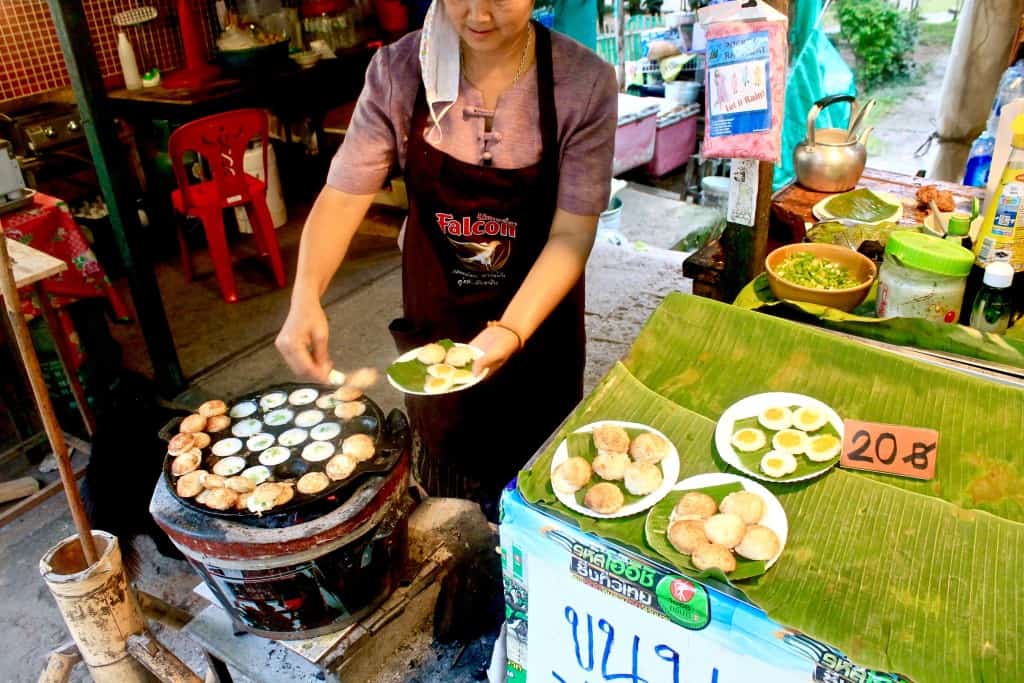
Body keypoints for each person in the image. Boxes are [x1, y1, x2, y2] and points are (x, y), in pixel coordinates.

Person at [276, 0, 617, 519]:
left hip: (538, 333)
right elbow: (344, 195)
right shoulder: (399, 71)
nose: (478, 13)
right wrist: (305, 296)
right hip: (438, 330)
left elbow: (571, 234)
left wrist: (511, 330)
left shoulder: (582, 83)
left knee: (539, 496)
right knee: (447, 501)